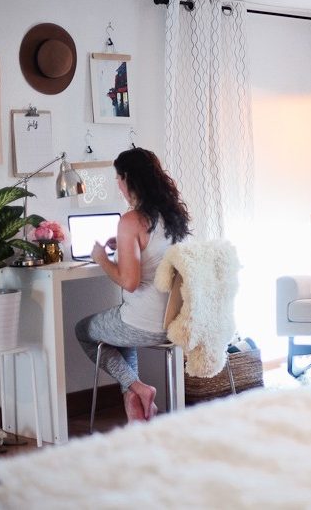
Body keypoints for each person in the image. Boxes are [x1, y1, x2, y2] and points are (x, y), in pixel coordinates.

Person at [75, 147, 191, 422]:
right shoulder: (173, 217)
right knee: (118, 326)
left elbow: (129, 282)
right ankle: (134, 404)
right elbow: (154, 256)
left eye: (118, 178)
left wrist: (102, 258)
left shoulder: (131, 220)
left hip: (144, 325)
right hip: (174, 321)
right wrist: (125, 247)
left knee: (83, 330)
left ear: (128, 179)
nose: (117, 184)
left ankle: (138, 388)